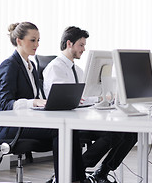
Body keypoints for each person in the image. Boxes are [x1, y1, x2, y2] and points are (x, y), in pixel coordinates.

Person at [43, 26, 137, 183]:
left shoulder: (78, 71)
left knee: (130, 134)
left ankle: (102, 172)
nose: (84, 49)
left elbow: (84, 97)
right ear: (69, 44)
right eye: (81, 45)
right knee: (111, 135)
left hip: (80, 119)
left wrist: (102, 98)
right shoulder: (55, 68)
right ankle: (73, 172)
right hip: (65, 123)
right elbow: (63, 99)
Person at [0, 22, 85, 183]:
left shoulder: (31, 66)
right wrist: (33, 102)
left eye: (38, 40)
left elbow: (37, 97)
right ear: (19, 41)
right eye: (33, 40)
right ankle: (64, 179)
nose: (37, 45)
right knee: (60, 130)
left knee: (71, 129)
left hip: (28, 121)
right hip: (11, 127)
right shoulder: (9, 65)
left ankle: (78, 179)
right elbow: (4, 104)